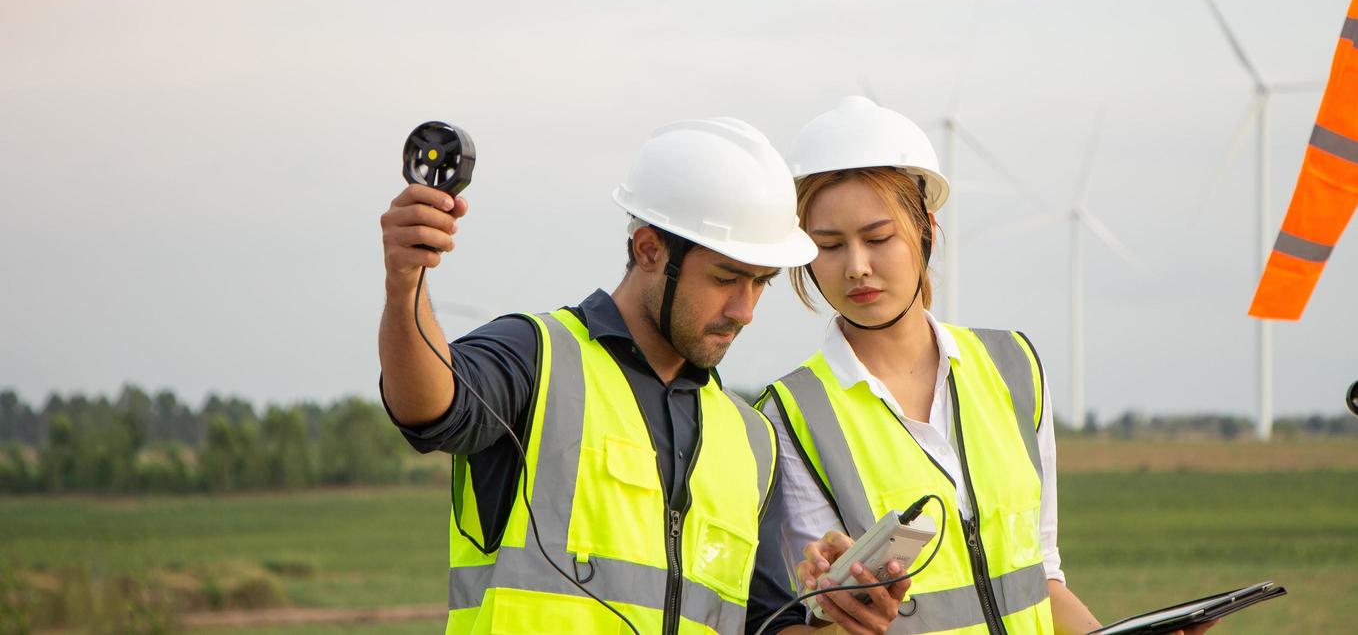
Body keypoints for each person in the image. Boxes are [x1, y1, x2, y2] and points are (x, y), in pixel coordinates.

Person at [378, 116, 912, 634]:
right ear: (649, 250)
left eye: (760, 284)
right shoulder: (538, 356)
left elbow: (764, 625)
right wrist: (406, 282)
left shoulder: (752, 442)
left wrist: (837, 619)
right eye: (726, 278)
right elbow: (429, 406)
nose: (744, 310)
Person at [760, 97, 1215, 635]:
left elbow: (1041, 577)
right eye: (829, 246)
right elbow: (828, 618)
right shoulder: (789, 414)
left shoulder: (1013, 366)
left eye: (878, 238)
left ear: (926, 228)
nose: (856, 267)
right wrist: (829, 606)